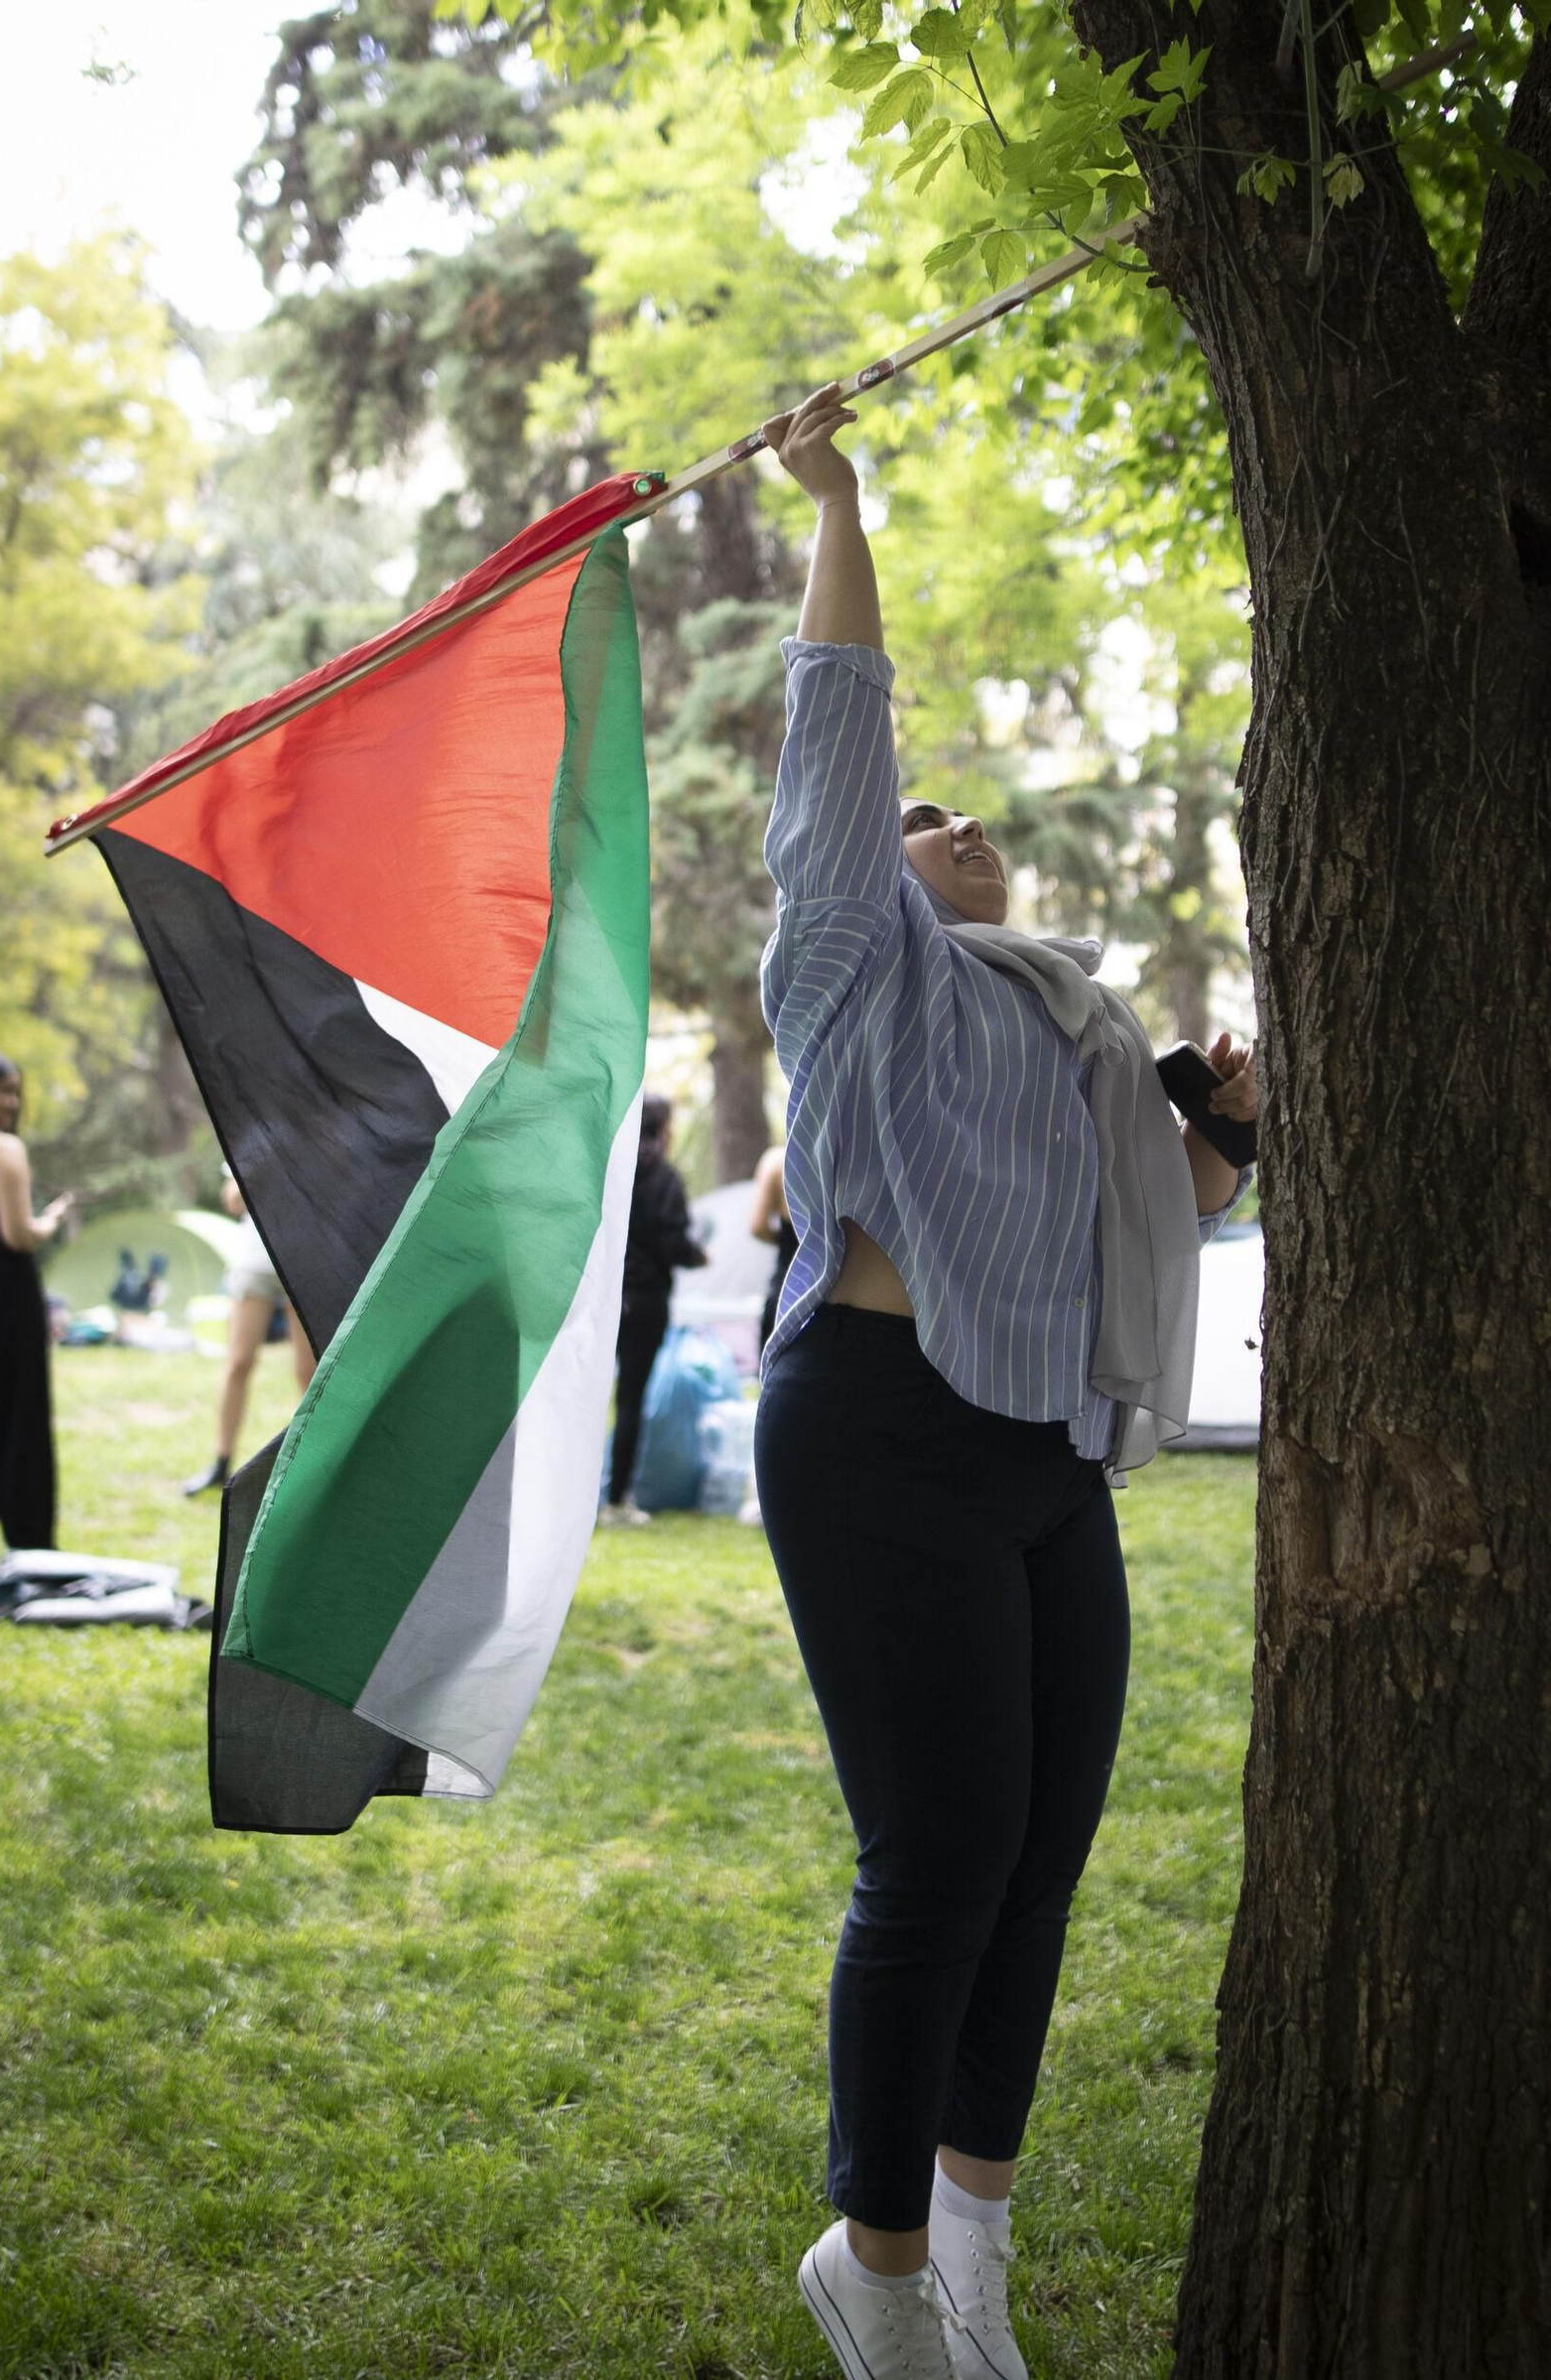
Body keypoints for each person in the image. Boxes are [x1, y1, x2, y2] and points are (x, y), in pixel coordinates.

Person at [752, 387, 1258, 2380]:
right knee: (937, 1852)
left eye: (973, 821)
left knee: (1037, 1848)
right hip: (877, 1439)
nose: (954, 822)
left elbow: (1151, 1225)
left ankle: (969, 2239)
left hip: (1045, 1454)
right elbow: (837, 728)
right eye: (920, 817)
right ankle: (867, 2269)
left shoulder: (1058, 1014)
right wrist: (837, 499)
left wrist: (1225, 1133)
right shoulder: (848, 969)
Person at [0, 1051, 73, 1575]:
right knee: (20, 1414)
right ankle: (30, 1544)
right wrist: (50, 1220)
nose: (12, 1102)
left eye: (16, 1092)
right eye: (3, 1090)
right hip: (4, 1297)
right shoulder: (2, 1148)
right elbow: (17, 1234)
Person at [598, 1093, 709, 1525]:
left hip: (604, 1300)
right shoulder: (665, 1180)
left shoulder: (611, 1172)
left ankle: (583, 1494)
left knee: (589, 1395)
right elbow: (674, 1244)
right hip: (644, 1303)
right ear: (664, 1129)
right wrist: (699, 1255)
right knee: (629, 1400)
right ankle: (617, 1499)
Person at [182, 1167, 315, 1497]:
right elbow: (232, 1201)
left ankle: (307, 1469)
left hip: (303, 1255)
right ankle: (220, 1463)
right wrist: (259, 1163)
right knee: (238, 1362)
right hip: (255, 1261)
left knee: (308, 1373)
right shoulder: (254, 1127)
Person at [749, 1141, 799, 1359]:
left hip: (786, 1280)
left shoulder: (777, 1161)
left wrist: (781, 1241)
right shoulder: (836, 1153)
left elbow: (757, 1226)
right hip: (831, 1285)